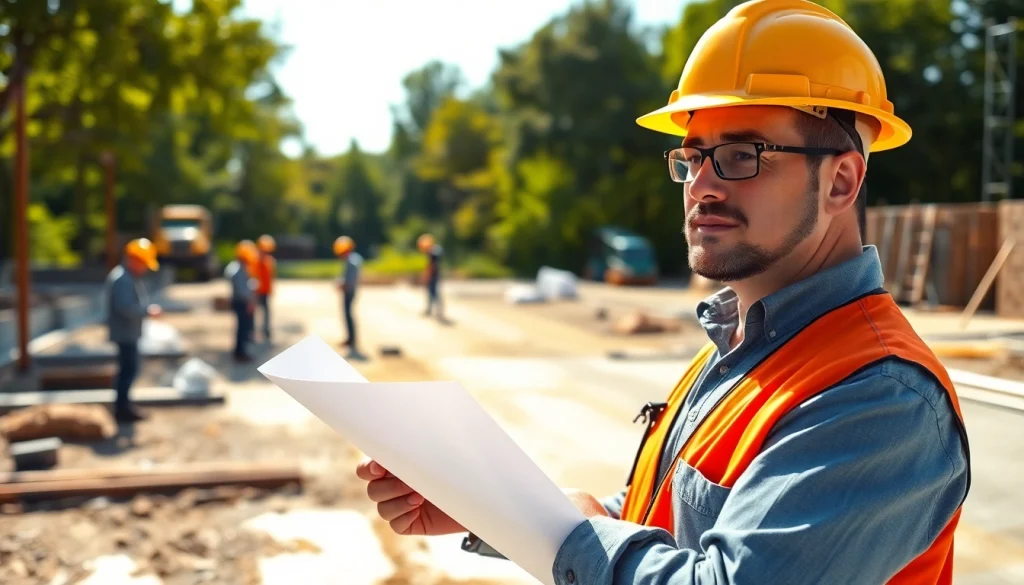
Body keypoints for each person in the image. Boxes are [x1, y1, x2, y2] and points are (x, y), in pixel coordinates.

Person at [355, 2, 971, 584]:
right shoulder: (741, 346)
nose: (701, 184)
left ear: (841, 180)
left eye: (740, 155)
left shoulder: (882, 397)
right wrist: (493, 505)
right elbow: (666, 517)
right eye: (693, 156)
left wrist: (562, 533)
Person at [105, 238, 162, 423]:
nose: (144, 268)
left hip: (127, 332)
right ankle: (122, 410)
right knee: (128, 371)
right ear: (134, 259)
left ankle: (124, 407)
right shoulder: (122, 279)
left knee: (128, 370)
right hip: (125, 333)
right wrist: (146, 311)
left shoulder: (126, 276)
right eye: (143, 263)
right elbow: (125, 307)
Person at [224, 239, 258, 363]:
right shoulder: (237, 269)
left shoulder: (236, 267)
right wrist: (250, 301)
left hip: (241, 302)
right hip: (242, 302)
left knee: (243, 329)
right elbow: (242, 290)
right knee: (242, 330)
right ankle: (240, 353)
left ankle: (241, 352)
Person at [334, 235, 364, 359]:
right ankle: (350, 339)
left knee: (348, 314)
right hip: (349, 290)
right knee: (347, 314)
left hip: (349, 291)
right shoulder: (353, 259)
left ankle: (352, 340)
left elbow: (350, 280)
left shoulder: (352, 260)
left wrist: (343, 285)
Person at [417, 233, 445, 321]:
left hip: (433, 275)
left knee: (433, 293)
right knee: (432, 293)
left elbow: (431, 266)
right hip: (436, 274)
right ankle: (431, 310)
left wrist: (427, 276)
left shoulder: (432, 252)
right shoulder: (435, 250)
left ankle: (437, 310)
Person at [255, 234, 277, 343]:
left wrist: (272, 289)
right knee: (255, 313)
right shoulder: (256, 260)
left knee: (266, 313)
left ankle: (266, 331)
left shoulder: (270, 261)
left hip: (266, 291)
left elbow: (271, 277)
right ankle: (255, 332)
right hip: (258, 291)